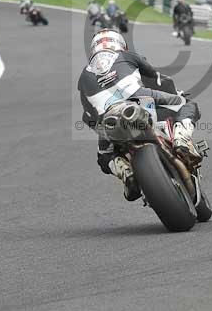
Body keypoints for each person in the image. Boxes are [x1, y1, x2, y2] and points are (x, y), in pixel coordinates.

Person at [78, 29, 202, 200]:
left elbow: (87, 115)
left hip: (108, 118)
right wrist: (175, 93)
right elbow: (159, 79)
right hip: (140, 99)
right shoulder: (128, 56)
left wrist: (101, 128)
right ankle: (181, 138)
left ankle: (126, 172)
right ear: (121, 44)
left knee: (104, 156)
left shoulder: (84, 75)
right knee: (187, 104)